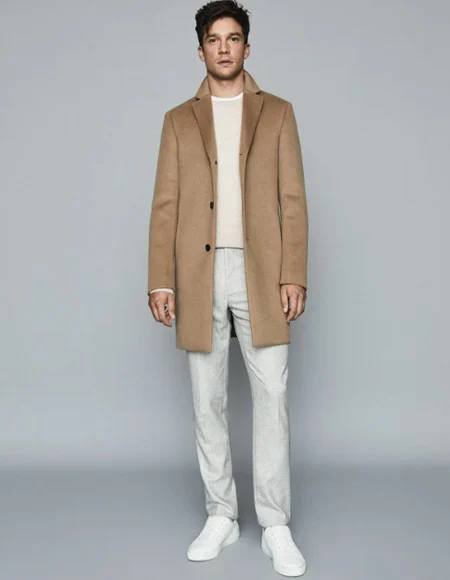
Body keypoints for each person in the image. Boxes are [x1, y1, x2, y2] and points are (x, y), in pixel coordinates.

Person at [147, 1, 308, 576]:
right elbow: (165, 206)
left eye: (233, 37)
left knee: (272, 396)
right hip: (198, 273)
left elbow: (293, 199)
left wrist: (294, 273)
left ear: (246, 47)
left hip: (263, 272)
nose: (223, 47)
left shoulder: (278, 113)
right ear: (200, 51)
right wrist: (161, 279)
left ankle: (275, 524)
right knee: (206, 399)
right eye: (213, 39)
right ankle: (221, 515)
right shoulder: (177, 120)